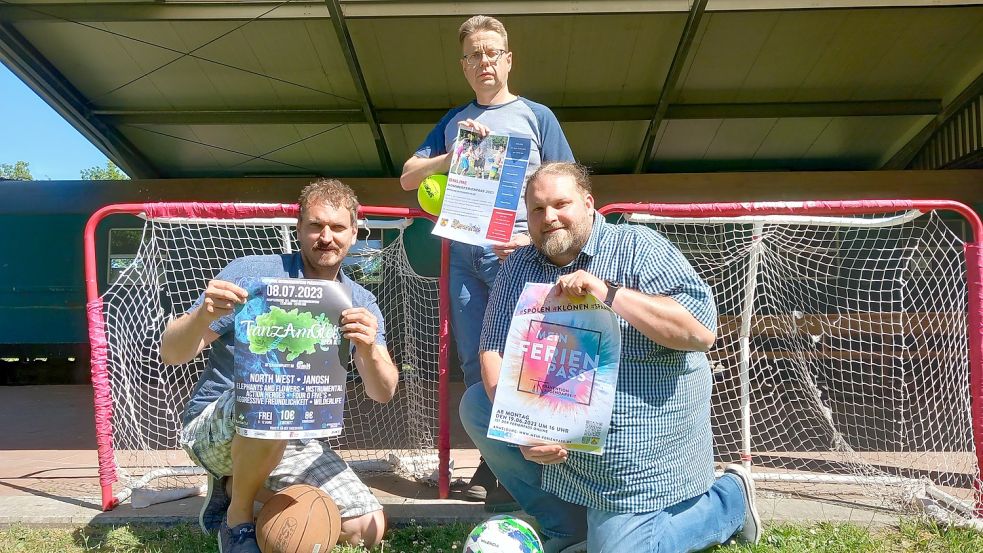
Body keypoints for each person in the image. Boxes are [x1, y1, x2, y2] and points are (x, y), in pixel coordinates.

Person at [460, 162, 762, 553]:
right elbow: (493, 349)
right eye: (537, 209)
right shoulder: (519, 264)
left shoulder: (638, 247)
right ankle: (568, 527)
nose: (549, 217)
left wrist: (608, 293)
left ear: (588, 203)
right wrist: (522, 428)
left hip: (637, 443)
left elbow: (700, 333)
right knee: (479, 406)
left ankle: (729, 499)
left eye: (560, 204)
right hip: (562, 428)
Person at [161, 179, 396, 553]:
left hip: (296, 436)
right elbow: (172, 353)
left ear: (355, 232)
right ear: (298, 228)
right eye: (315, 226)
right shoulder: (253, 274)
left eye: (337, 228)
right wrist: (201, 317)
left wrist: (367, 349)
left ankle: (233, 486)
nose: (326, 237)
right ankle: (238, 520)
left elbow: (382, 392)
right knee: (276, 388)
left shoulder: (359, 300)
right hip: (216, 426)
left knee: (364, 529)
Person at [399, 14, 575, 507]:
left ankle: (539, 464)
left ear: (508, 59)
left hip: (518, 255)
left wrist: (529, 240)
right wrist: (450, 156)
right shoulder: (454, 121)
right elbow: (409, 178)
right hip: (463, 255)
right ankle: (494, 462)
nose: (485, 61)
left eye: (492, 52)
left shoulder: (536, 115)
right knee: (476, 361)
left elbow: (571, 186)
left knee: (526, 359)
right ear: (464, 64)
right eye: (475, 54)